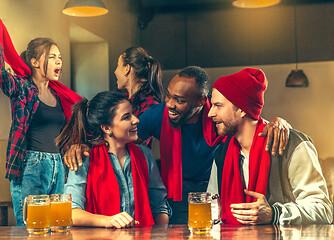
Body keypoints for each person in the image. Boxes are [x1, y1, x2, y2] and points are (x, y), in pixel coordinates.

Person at [64, 66, 290, 224]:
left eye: (179, 101)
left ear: (202, 102)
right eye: (169, 96)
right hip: (178, 198)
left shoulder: (217, 116)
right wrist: (81, 145)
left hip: (217, 195)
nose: (170, 105)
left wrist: (279, 122)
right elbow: (117, 138)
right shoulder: (157, 116)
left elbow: (247, 121)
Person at [207, 68, 333, 225]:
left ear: (241, 109)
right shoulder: (222, 153)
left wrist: (275, 213)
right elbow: (212, 207)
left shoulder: (293, 145)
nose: (210, 113)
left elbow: (323, 210)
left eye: (218, 106)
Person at [0, 20, 82, 226]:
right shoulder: (23, 88)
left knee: (58, 226)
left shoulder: (58, 94)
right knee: (32, 228)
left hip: (58, 165)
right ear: (35, 62)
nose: (59, 62)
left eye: (60, 58)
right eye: (52, 57)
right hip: (31, 165)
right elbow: (2, 75)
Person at [58, 91, 170, 228]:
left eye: (133, 114)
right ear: (106, 128)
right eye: (126, 117)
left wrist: (163, 233)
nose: (136, 120)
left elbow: (159, 206)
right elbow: (70, 212)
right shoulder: (84, 157)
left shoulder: (145, 154)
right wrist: (108, 221)